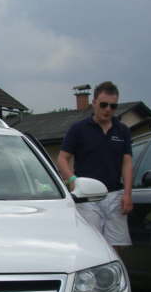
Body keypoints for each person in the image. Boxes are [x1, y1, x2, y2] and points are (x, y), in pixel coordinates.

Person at [57, 80, 133, 252]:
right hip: (87, 197)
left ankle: (114, 270)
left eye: (113, 106)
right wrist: (73, 181)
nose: (108, 109)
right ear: (94, 103)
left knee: (116, 248)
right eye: (104, 105)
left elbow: (127, 163)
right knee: (91, 244)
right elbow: (62, 159)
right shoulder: (78, 129)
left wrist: (128, 194)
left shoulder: (123, 131)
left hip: (115, 195)